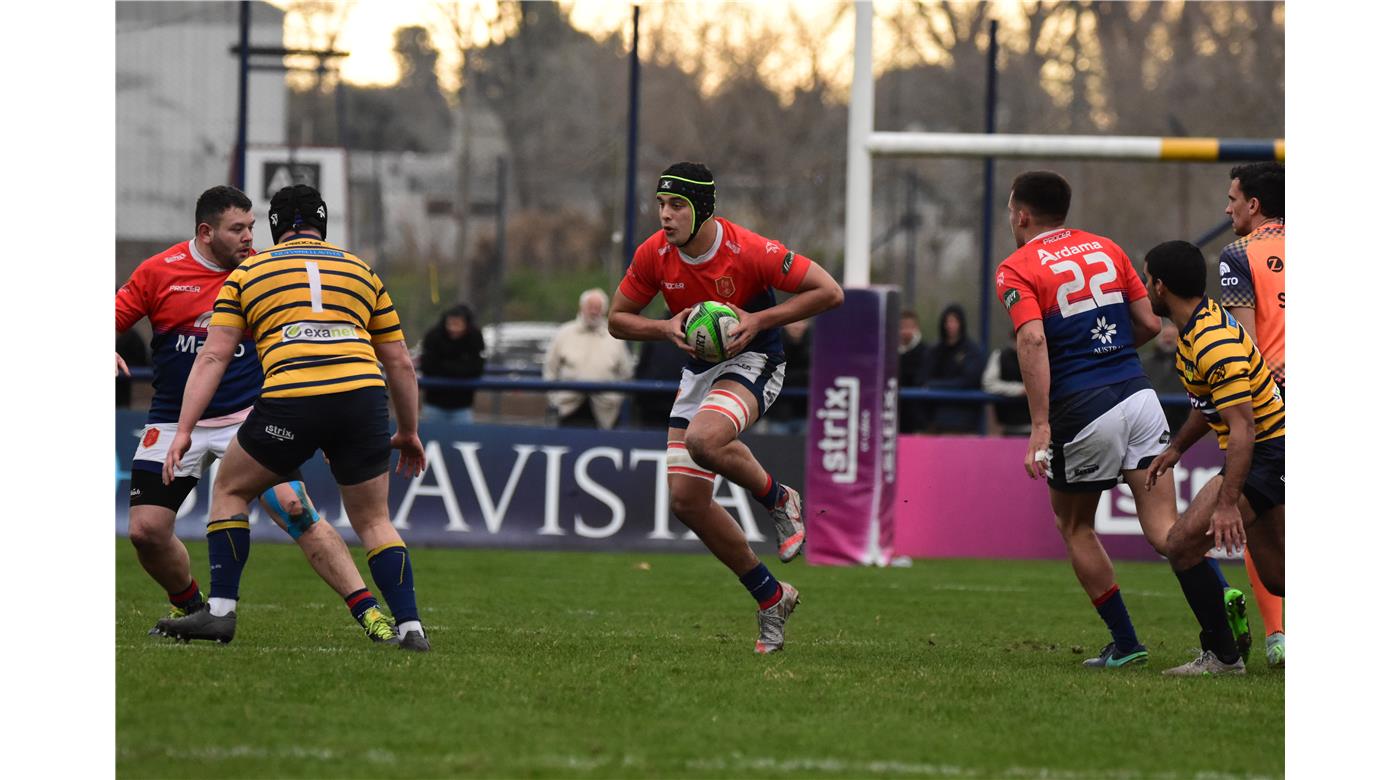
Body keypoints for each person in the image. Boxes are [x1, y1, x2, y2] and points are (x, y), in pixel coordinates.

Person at [155, 184, 431, 652]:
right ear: (323, 225)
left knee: (230, 489)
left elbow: (213, 358)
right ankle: (410, 628)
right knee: (375, 521)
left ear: (275, 227)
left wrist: (183, 430)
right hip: (362, 398)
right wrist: (408, 431)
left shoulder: (249, 273)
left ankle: (219, 613)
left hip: (292, 398)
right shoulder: (362, 270)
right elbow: (400, 362)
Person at [995, 170, 1241, 673]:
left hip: (1084, 412)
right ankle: (1222, 621)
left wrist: (1040, 425)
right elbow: (1152, 324)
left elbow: (1033, 341)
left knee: (1075, 524)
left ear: (1021, 215)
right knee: (1168, 534)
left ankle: (1126, 642)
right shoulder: (1106, 248)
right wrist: (1105, 353)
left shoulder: (1016, 267)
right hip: (1140, 397)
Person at [608, 161, 843, 653]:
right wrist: (664, 327)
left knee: (704, 439)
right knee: (687, 502)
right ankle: (771, 597)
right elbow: (617, 319)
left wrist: (759, 320)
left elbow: (829, 291)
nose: (665, 216)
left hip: (756, 357)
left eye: (677, 205)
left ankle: (778, 498)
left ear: (703, 208)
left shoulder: (750, 250)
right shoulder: (655, 253)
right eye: (661, 204)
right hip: (698, 372)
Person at [1144, 239, 1285, 675]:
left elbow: (1243, 427)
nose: (1145, 286)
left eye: (1147, 278)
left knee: (1182, 545)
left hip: (1267, 452)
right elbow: (1211, 408)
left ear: (1161, 286)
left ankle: (1223, 657)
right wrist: (1177, 448)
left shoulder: (1212, 340)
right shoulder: (1197, 327)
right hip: (1266, 450)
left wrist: (1227, 504)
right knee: (1279, 574)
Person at [1218, 161, 1286, 668]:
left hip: (1275, 400)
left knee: (1250, 511)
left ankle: (1277, 636)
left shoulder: (1238, 254)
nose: (1228, 208)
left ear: (1254, 205)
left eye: (1233, 198)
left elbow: (1245, 344)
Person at [544, 288, 634, 429]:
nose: (593, 311)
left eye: (597, 308)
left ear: (604, 310)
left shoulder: (615, 337)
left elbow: (626, 373)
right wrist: (555, 400)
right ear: (581, 308)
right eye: (590, 307)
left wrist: (615, 399)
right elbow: (550, 369)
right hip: (568, 409)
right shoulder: (564, 333)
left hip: (605, 412)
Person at [419, 303, 486, 424]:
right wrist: (458, 369)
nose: (453, 329)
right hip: (434, 403)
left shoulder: (474, 338)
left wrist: (448, 368)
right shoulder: (434, 336)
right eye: (450, 324)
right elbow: (428, 365)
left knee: (463, 438)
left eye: (458, 324)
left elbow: (476, 367)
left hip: (462, 405)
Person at [924, 304, 985, 434]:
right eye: (947, 321)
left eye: (954, 321)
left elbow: (970, 380)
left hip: (965, 418)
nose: (950, 326)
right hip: (937, 418)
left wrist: (935, 385)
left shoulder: (971, 351)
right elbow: (924, 377)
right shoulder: (935, 351)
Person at [633, 310, 691, 429]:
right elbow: (643, 364)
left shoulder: (697, 329)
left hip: (686, 404)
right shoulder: (655, 327)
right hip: (652, 405)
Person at [1139, 319, 1191, 434]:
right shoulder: (1143, 364)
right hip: (1151, 426)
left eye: (1172, 337)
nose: (1168, 340)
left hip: (1183, 425)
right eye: (1165, 336)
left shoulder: (1189, 365)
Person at [763, 319, 811, 435]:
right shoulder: (773, 344)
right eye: (794, 322)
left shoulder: (814, 343)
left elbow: (814, 376)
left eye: (802, 322)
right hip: (778, 413)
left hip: (805, 412)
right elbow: (771, 375)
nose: (798, 326)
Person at [981, 329, 1032, 436]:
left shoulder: (1039, 356)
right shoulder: (1000, 356)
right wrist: (1019, 390)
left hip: (1034, 427)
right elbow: (988, 384)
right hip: (1008, 426)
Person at [897, 310, 931, 434]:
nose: (905, 331)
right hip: (895, 419)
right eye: (902, 327)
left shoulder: (926, 351)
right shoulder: (890, 351)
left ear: (916, 328)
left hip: (917, 420)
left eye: (909, 327)